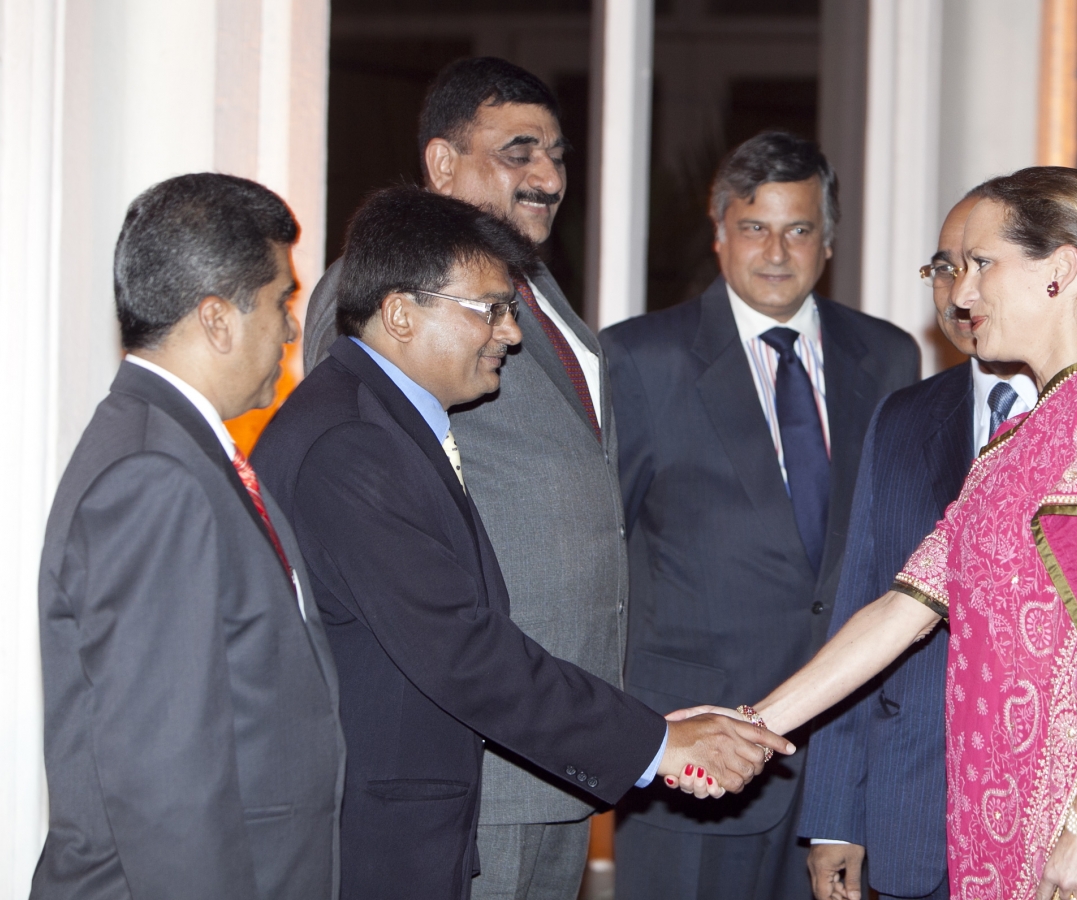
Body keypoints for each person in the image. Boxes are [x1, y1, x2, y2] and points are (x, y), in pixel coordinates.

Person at [680, 166, 1077, 899]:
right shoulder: (1019, 442)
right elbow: (901, 610)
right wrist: (749, 725)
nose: (961, 295)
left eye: (983, 265)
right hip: (1002, 814)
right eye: (957, 270)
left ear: (1059, 268)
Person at [253, 187, 793, 900]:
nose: (509, 335)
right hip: (377, 842)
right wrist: (657, 744)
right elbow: (462, 650)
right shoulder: (351, 444)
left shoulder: (384, 423)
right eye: (490, 311)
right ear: (400, 314)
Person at [302, 56, 637, 900]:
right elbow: (369, 488)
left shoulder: (537, 290)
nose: (549, 176)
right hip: (480, 739)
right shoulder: (383, 291)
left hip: (563, 737)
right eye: (518, 151)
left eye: (558, 154)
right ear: (442, 163)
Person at [600, 132, 920, 900]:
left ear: (829, 241)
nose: (776, 251)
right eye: (754, 227)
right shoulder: (637, 361)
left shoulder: (888, 359)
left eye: (799, 228)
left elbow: (893, 563)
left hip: (840, 764)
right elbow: (599, 553)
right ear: (719, 234)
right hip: (694, 767)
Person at [33, 173, 345, 900]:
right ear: (216, 319)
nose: (293, 329)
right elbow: (165, 783)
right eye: (281, 301)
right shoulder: (153, 475)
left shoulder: (184, 450)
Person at [800, 192, 1036, 900]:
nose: (960, 290)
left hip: (1052, 822)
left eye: (980, 264)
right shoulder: (902, 417)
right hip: (914, 816)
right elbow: (863, 603)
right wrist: (835, 816)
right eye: (943, 267)